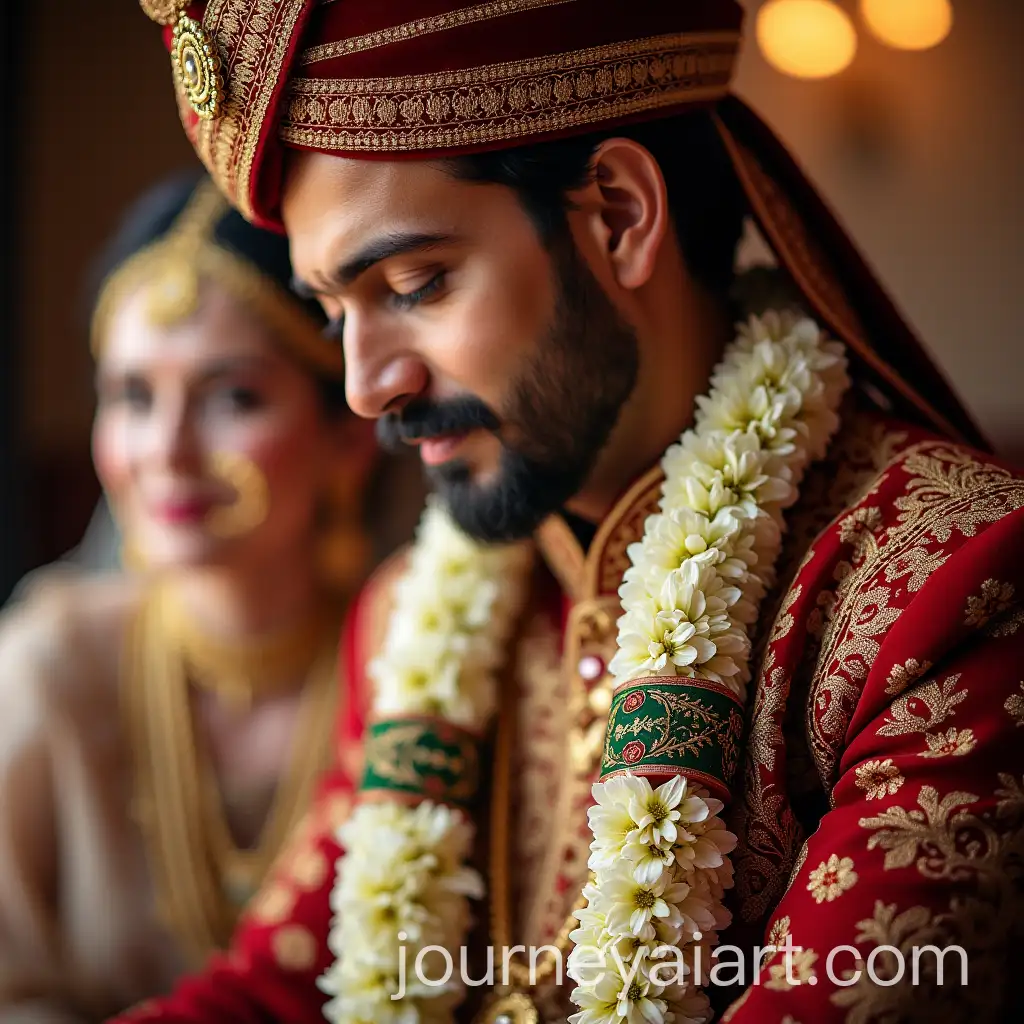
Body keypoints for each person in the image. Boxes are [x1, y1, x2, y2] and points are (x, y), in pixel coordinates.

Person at [118, 2, 1024, 1022]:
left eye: (415, 284)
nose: (365, 386)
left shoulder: (946, 590)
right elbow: (274, 991)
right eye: (334, 312)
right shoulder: (407, 618)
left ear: (618, 216)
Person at [0, 173, 392, 1020]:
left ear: (349, 437)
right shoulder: (45, 671)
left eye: (232, 396)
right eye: (134, 397)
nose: (167, 452)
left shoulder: (420, 668)